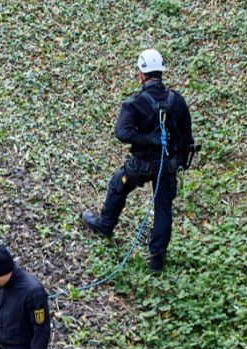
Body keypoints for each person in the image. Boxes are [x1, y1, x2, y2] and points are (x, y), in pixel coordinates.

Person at [81, 48, 195, 273]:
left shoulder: (135, 103)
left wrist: (147, 139)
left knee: (118, 183)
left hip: (142, 163)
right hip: (167, 164)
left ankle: (105, 225)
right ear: (160, 72)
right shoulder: (177, 100)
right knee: (163, 207)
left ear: (141, 74)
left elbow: (122, 133)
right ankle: (156, 259)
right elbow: (187, 137)